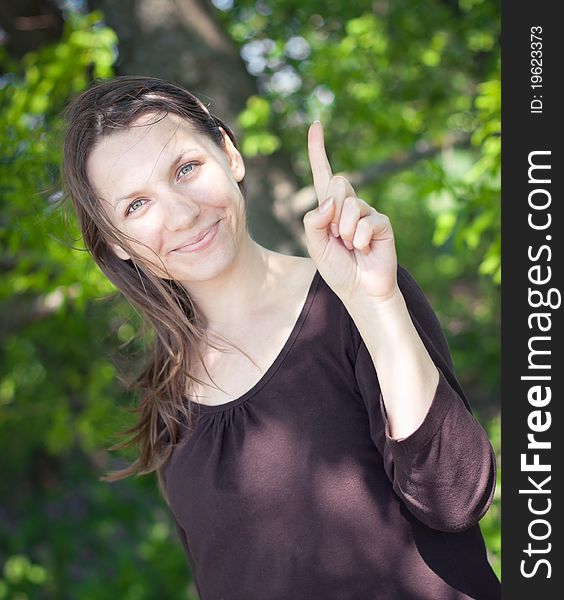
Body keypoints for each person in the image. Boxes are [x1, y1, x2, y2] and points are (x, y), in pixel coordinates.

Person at [62, 76, 501, 599]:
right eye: (136, 205)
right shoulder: (168, 392)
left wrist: (376, 305)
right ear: (117, 244)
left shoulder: (354, 300)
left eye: (186, 169)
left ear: (229, 153)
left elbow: (454, 498)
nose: (181, 214)